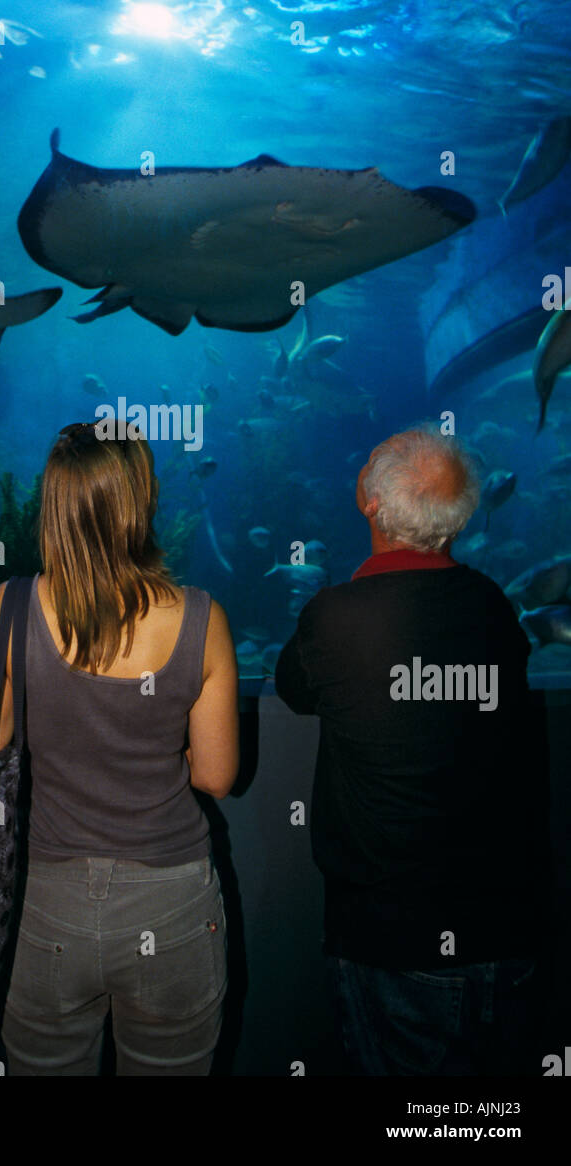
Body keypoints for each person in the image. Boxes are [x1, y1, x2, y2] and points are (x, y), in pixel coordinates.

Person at [0, 420, 239, 1076]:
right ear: (139, 501)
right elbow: (217, 776)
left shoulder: (9, 606)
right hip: (169, 900)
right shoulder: (201, 618)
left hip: (44, 900)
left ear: (53, 505)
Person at [274, 425, 549, 1076]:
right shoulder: (489, 606)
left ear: (369, 503)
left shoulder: (335, 617)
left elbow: (294, 688)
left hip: (393, 939)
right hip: (507, 929)